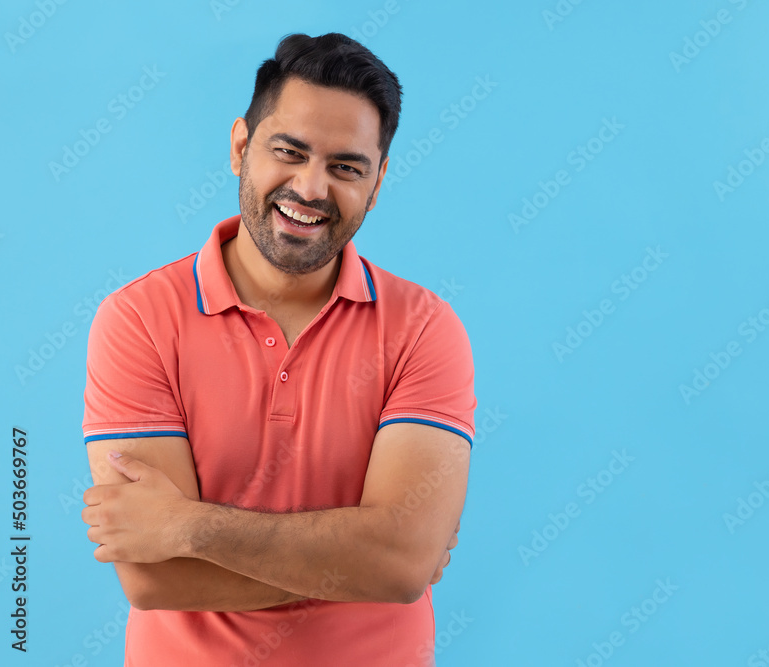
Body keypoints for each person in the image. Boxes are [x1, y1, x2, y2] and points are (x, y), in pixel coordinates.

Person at [79, 32, 475, 666]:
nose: (311, 189)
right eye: (289, 151)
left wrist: (187, 527)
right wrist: (365, 561)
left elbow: (402, 563)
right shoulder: (139, 320)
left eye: (346, 167)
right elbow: (155, 580)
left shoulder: (424, 328)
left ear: (377, 183)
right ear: (240, 147)